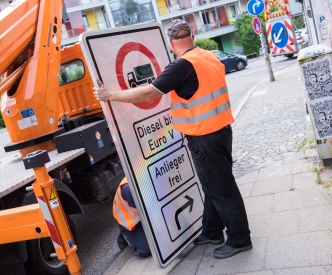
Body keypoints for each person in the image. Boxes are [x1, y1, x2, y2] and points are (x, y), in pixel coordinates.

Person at [94, 19, 252, 259]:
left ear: (170, 42)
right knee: (213, 185)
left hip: (204, 137)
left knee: (223, 189)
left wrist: (110, 95)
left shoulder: (182, 65)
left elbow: (148, 92)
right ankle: (212, 231)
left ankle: (240, 238)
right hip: (221, 131)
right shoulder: (208, 57)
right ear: (193, 36)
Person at [113, 177, 151, 257]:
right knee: (146, 250)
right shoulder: (129, 189)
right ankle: (124, 235)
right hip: (131, 222)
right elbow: (150, 213)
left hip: (143, 213)